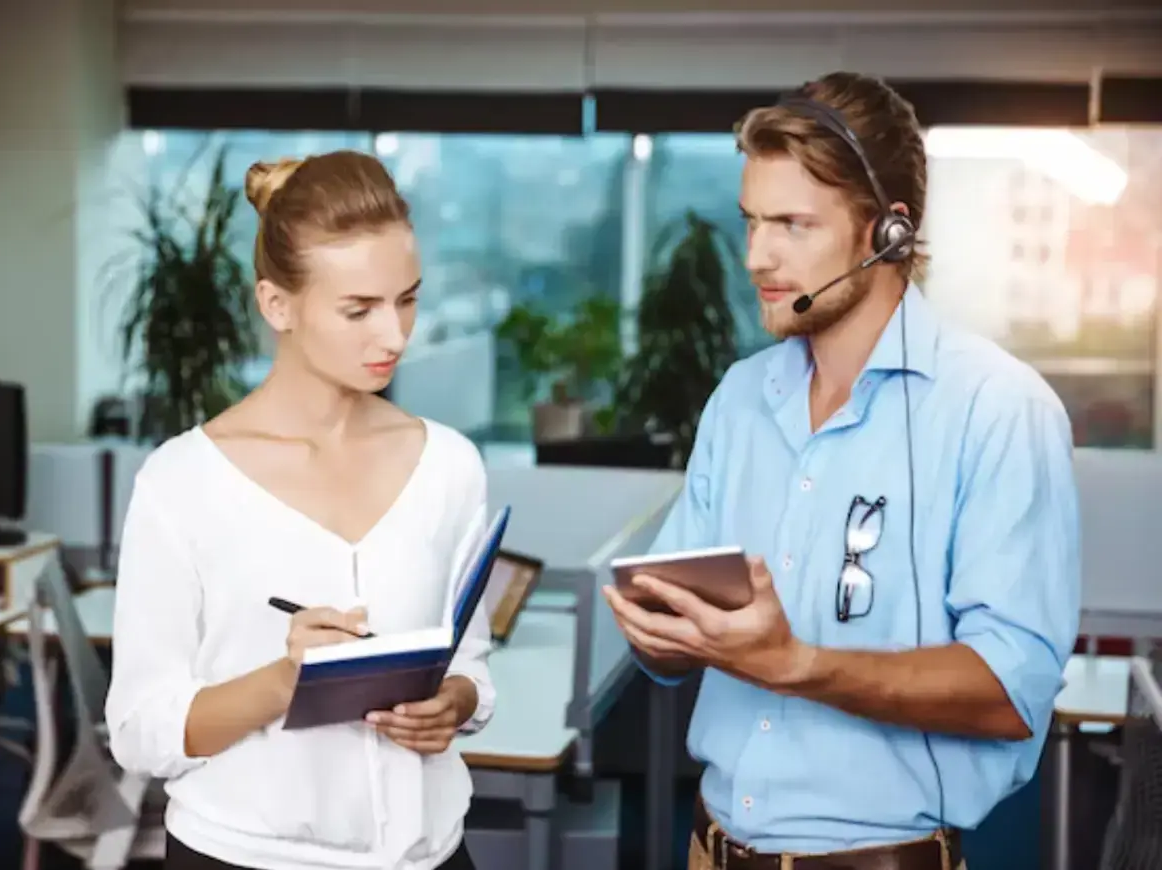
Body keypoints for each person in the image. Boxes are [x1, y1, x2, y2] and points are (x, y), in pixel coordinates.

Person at [603, 71, 1080, 870]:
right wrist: (663, 635)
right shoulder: (739, 398)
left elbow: (1009, 692)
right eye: (752, 221)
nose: (756, 255)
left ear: (886, 232)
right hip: (707, 848)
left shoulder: (996, 410)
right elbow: (675, 634)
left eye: (793, 223)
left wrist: (796, 665)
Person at [104, 150, 494, 870]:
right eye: (359, 309)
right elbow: (139, 731)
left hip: (431, 855)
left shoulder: (449, 467)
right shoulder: (182, 482)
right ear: (275, 304)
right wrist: (285, 681)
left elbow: (469, 660)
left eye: (407, 298)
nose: (395, 335)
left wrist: (457, 701)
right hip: (244, 858)